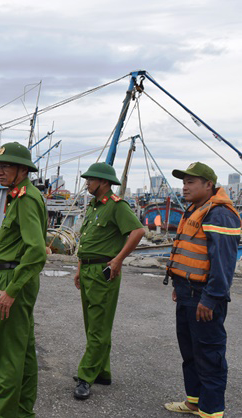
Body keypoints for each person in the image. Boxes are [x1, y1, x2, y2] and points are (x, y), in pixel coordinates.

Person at [163, 162, 240, 417]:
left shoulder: (219, 214)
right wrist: (178, 285)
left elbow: (223, 264)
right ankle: (194, 402)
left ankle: (212, 411)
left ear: (209, 185)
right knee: (191, 353)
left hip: (204, 298)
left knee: (210, 355)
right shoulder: (194, 209)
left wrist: (212, 299)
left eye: (191, 182)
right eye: (184, 182)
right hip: (187, 293)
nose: (184, 187)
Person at [73, 162, 145, 400]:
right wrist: (78, 268)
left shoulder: (116, 206)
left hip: (103, 272)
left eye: (90, 179)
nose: (86, 183)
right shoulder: (94, 207)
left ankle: (86, 376)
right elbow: (88, 242)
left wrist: (118, 260)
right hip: (88, 270)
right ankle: (102, 371)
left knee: (99, 326)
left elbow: (138, 231)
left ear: (103, 182)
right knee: (92, 325)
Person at [0, 142, 47, 417]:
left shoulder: (25, 198)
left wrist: (11, 290)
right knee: (23, 350)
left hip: (13, 277)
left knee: (8, 355)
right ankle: (23, 411)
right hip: (15, 275)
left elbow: (36, 251)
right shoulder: (21, 195)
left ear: (22, 169)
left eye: (5, 166)